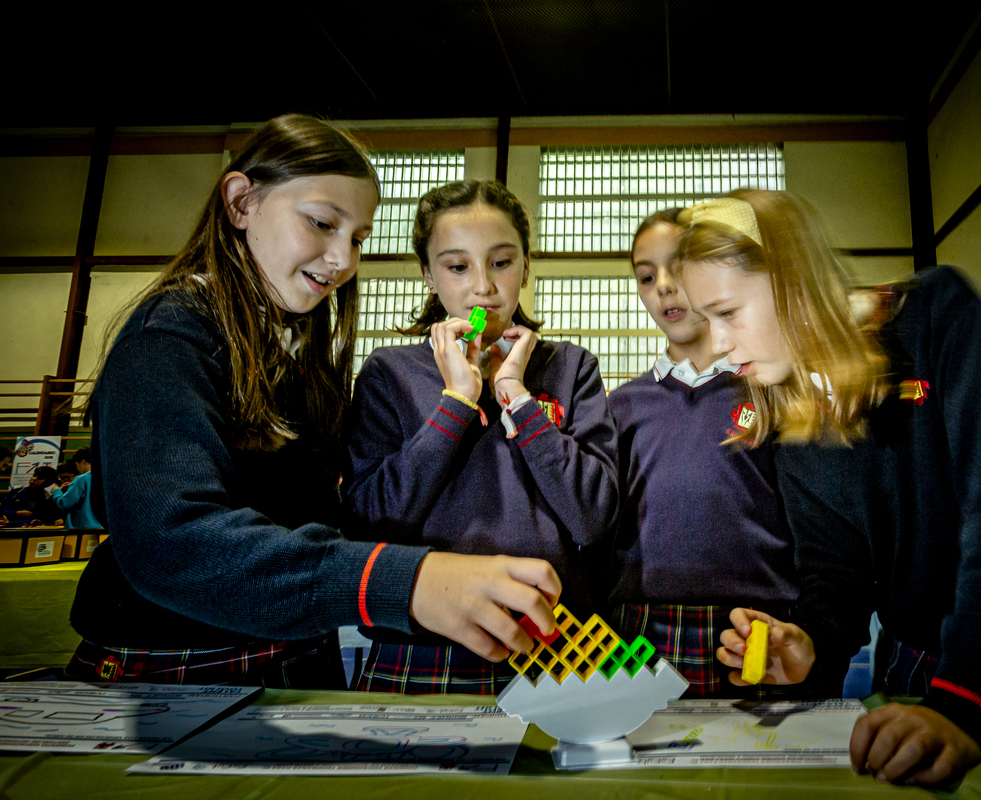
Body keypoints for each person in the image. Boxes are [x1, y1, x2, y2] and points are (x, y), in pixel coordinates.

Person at [671, 191, 981, 785]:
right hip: (924, 674)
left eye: (727, 313)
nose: (716, 345)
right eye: (705, 320)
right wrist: (811, 643)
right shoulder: (791, 415)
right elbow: (835, 572)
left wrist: (960, 701)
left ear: (790, 281)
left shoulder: (936, 314)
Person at [66, 116, 561, 689]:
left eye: (357, 239)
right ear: (240, 202)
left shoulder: (299, 350)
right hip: (177, 663)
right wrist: (409, 580)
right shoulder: (172, 335)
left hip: (297, 653)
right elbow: (170, 542)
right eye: (322, 223)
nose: (344, 260)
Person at [344, 179, 619, 694]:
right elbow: (368, 526)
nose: (483, 288)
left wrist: (515, 395)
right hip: (420, 646)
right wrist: (456, 403)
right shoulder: (389, 373)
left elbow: (593, 517)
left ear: (526, 264)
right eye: (456, 266)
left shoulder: (570, 368)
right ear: (428, 275)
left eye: (501, 262)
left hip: (558, 645)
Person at [604, 209, 798, 698]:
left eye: (677, 269)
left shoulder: (768, 390)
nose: (664, 287)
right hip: (638, 628)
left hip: (753, 627)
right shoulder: (621, 405)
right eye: (647, 277)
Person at [52, 447, 100, 528]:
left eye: (77, 465)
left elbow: (65, 504)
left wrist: (56, 492)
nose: (77, 468)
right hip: (101, 528)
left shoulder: (81, 479)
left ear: (83, 461)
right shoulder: (105, 478)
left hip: (81, 529)